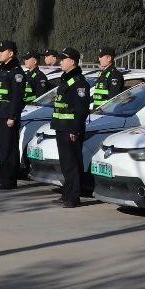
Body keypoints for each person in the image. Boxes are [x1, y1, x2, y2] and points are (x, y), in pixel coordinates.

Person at [52, 48, 92, 208]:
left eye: (63, 59)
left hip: (70, 130)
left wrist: (75, 130)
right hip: (61, 127)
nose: (60, 62)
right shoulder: (67, 80)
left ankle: (74, 197)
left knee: (72, 163)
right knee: (65, 164)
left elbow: (82, 109)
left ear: (73, 62)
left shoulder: (79, 83)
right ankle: (67, 193)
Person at [0, 40, 26, 189]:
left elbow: (17, 97)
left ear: (10, 53)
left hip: (8, 116)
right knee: (3, 148)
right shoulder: (2, 70)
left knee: (9, 149)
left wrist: (12, 116)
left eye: (2, 51)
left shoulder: (16, 72)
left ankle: (9, 180)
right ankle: (3, 178)